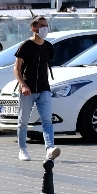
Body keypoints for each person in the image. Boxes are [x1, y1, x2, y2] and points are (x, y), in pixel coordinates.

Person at [14, 16, 60, 162]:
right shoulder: (25, 46)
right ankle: (23, 149)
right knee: (23, 121)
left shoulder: (48, 46)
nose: (45, 28)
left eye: (46, 25)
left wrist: (46, 83)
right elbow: (16, 69)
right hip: (27, 89)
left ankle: (50, 149)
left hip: (44, 88)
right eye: (42, 25)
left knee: (47, 120)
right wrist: (22, 84)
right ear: (34, 28)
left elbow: (46, 67)